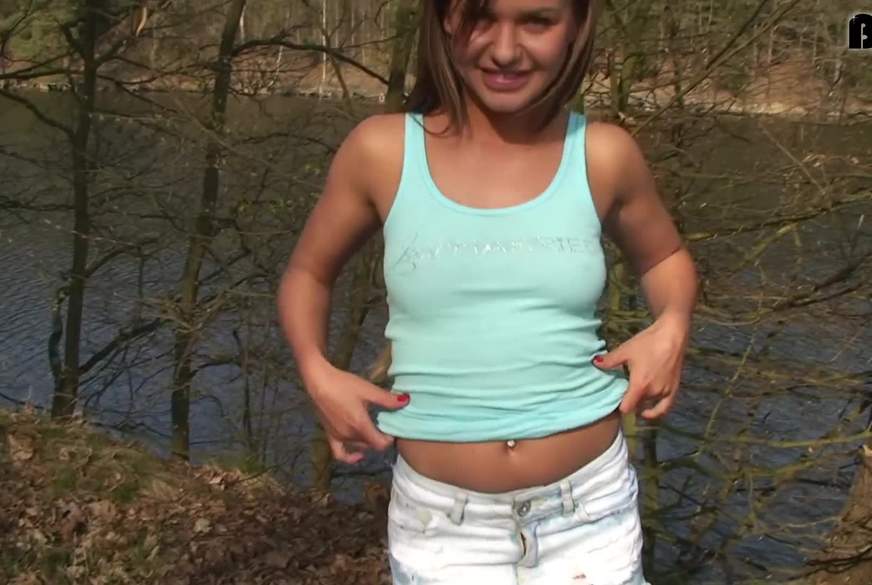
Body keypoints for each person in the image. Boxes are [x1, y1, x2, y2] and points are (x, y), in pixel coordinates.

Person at [277, 0, 699, 583]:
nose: (504, 50)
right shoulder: (382, 152)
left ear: (576, 26)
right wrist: (315, 370)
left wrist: (672, 324)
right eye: (481, 17)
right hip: (442, 531)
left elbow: (666, 259)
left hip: (591, 518)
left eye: (537, 21)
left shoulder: (603, 154)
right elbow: (307, 274)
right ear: (446, 19)